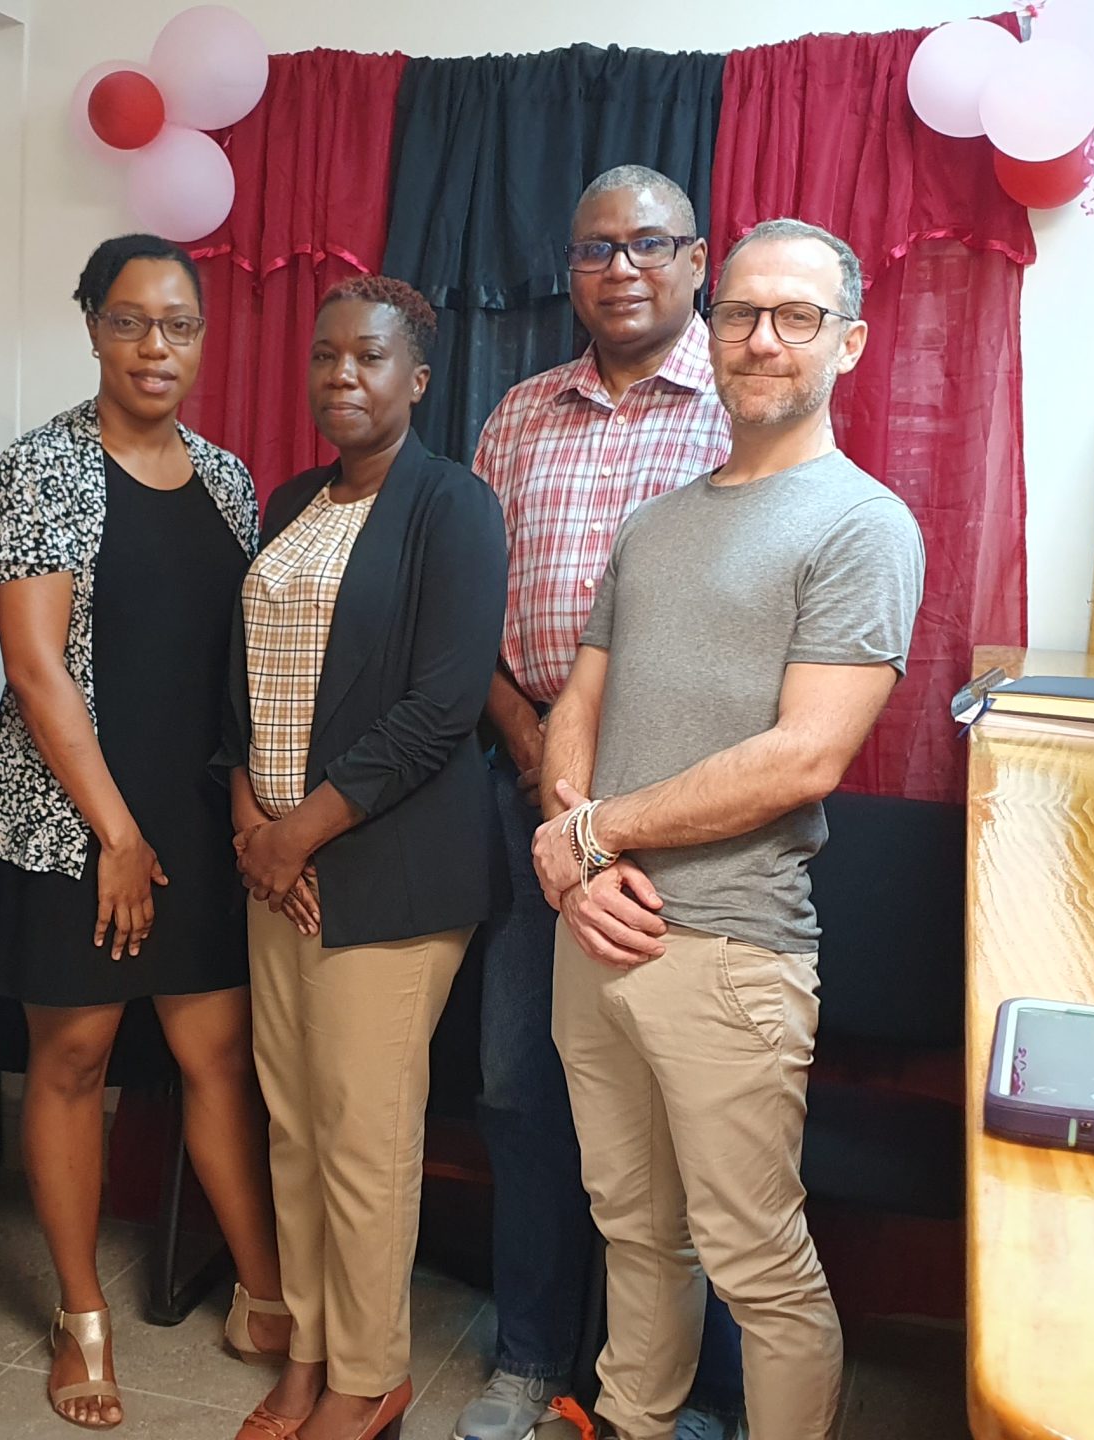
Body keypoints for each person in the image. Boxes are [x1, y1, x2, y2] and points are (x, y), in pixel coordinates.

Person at [532, 219, 925, 1440]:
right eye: (741, 313)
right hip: (594, 933)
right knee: (631, 1229)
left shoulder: (863, 526)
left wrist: (591, 836)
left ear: (847, 343)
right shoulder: (654, 523)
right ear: (710, 331)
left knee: (757, 1266)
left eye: (796, 316)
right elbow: (578, 701)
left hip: (729, 954)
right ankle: (631, 1421)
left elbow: (803, 755)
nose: (762, 338)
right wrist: (573, 852)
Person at [0, 234, 288, 1429]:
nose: (156, 347)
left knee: (219, 1061)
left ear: (202, 339)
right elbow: (35, 669)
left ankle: (263, 1297)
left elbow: (232, 670)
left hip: (195, 828)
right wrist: (115, 835)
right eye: (129, 321)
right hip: (74, 828)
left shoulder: (228, 479)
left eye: (178, 325)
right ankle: (80, 1317)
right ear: (93, 327)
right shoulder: (41, 465)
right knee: (74, 1062)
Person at [454, 164, 736, 1440]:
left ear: (696, 261)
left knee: (683, 1107)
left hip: (689, 811)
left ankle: (692, 1395)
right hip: (529, 797)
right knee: (520, 1089)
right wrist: (529, 748)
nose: (619, 268)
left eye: (647, 245)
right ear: (566, 268)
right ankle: (526, 1360)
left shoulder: (741, 409)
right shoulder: (517, 417)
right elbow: (469, 620)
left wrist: (638, 798)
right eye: (593, 249)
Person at [229, 276, 510, 1440]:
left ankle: (369, 1375)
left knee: (363, 1136)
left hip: (388, 869)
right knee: (293, 1128)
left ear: (417, 378)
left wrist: (296, 833)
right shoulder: (291, 501)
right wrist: (253, 826)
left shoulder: (455, 506)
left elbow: (442, 706)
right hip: (272, 865)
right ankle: (306, 1354)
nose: (342, 374)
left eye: (370, 357)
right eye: (325, 355)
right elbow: (241, 681)